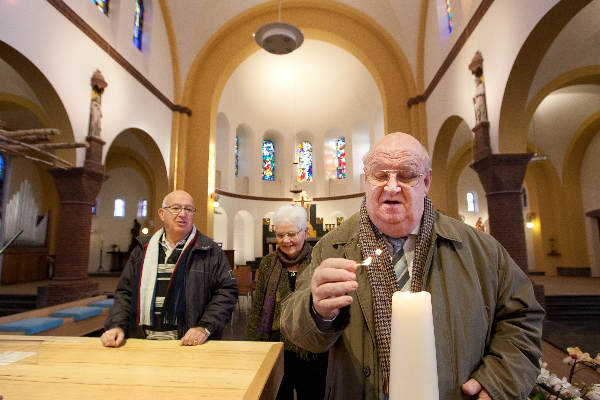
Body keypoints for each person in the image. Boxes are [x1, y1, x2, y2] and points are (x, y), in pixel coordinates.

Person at [281, 132, 544, 399]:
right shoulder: (330, 247)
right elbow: (296, 330)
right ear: (366, 181)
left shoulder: (480, 250)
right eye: (380, 175)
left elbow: (521, 319)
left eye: (407, 175)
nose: (392, 187)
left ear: (426, 180)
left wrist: (499, 381)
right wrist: (317, 311)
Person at [101, 190, 238, 347]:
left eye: (188, 209)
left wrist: (204, 327)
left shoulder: (210, 250)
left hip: (189, 345)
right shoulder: (142, 250)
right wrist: (116, 325)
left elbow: (227, 292)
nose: (182, 214)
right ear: (162, 214)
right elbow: (125, 293)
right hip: (141, 342)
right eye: (176, 208)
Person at [247, 204, 328, 400]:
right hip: (275, 348)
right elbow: (257, 307)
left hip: (311, 348)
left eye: (291, 234)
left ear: (305, 232)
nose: (286, 240)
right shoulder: (267, 262)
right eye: (280, 235)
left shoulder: (319, 259)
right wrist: (252, 345)